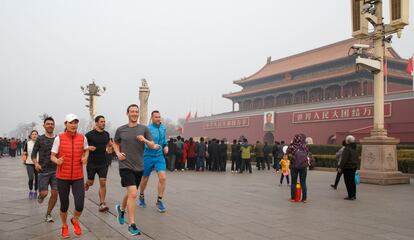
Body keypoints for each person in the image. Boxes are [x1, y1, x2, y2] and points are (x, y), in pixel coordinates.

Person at [113, 104, 159, 236]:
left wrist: (144, 139)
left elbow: (152, 145)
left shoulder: (143, 129)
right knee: (133, 193)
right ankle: (131, 224)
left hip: (139, 166)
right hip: (125, 165)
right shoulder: (121, 129)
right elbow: (115, 142)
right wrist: (117, 153)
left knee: (130, 194)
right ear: (127, 113)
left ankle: (121, 210)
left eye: (136, 112)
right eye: (132, 111)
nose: (134, 114)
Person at [51, 114, 89, 238]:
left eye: (75, 122)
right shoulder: (59, 138)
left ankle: (75, 219)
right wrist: (57, 161)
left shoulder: (82, 138)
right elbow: (52, 155)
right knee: (64, 204)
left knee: (79, 205)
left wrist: (85, 157)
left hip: (78, 176)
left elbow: (86, 150)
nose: (73, 125)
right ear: (66, 124)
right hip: (62, 177)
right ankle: (64, 226)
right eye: (71, 122)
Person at [138, 110, 168, 213]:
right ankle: (141, 195)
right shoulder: (147, 129)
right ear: (152, 118)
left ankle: (159, 201)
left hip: (159, 156)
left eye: (159, 117)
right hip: (148, 156)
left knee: (163, 178)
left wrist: (166, 146)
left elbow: (164, 140)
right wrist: (152, 145)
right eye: (156, 117)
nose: (158, 119)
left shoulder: (163, 127)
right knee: (145, 178)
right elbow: (144, 142)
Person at [31, 117, 58, 223]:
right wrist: (36, 163)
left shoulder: (57, 139)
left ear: (54, 125)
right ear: (44, 126)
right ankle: (41, 196)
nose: (50, 125)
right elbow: (33, 154)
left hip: (56, 170)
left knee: (55, 193)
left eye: (52, 124)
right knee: (45, 193)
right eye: (48, 124)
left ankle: (48, 213)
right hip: (43, 171)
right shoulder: (40, 139)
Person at [84, 115, 111, 212]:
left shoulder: (107, 134)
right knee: (91, 182)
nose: (103, 123)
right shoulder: (89, 135)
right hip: (91, 163)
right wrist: (88, 148)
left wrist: (110, 148)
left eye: (104, 121)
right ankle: (87, 184)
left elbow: (109, 145)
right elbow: (82, 147)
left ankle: (102, 203)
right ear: (96, 123)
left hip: (103, 163)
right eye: (101, 121)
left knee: (103, 182)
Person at [287, 134, 309, 203]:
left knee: (293, 182)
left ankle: (293, 198)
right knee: (303, 182)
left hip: (294, 166)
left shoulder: (292, 146)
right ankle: (304, 199)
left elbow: (287, 152)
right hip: (303, 166)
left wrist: (291, 143)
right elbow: (307, 153)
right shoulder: (304, 146)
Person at [338, 135, 359, 200]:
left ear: (347, 141)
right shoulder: (355, 148)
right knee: (352, 181)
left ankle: (350, 195)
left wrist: (340, 167)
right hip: (354, 167)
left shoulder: (347, 148)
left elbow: (344, 159)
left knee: (348, 182)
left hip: (348, 167)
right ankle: (354, 195)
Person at [22, 130, 39, 200]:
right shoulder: (28, 143)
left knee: (37, 179)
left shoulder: (40, 143)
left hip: (37, 164)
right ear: (31, 135)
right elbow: (25, 152)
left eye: (35, 134)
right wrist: (24, 160)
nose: (34, 135)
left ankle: (35, 191)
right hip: (29, 163)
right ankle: (30, 190)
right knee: (31, 178)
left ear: (37, 135)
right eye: (33, 134)